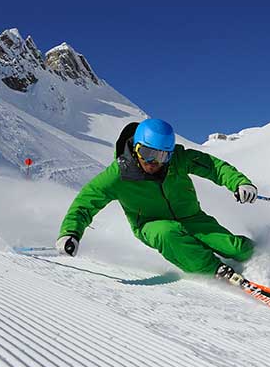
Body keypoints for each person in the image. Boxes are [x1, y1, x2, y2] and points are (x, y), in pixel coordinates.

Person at [56, 118, 258, 284]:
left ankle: (264, 258)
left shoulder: (178, 159)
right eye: (148, 154)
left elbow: (213, 167)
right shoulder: (117, 175)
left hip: (192, 217)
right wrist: (70, 232)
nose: (155, 162)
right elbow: (85, 203)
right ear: (136, 148)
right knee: (167, 233)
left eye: (163, 156)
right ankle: (214, 270)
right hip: (150, 223)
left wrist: (240, 183)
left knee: (236, 248)